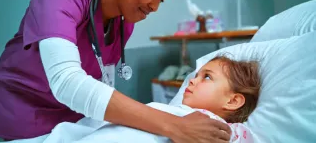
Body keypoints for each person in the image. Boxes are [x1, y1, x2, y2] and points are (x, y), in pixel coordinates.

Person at [0, 0, 232, 142]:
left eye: (162, 0)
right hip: (24, 113)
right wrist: (173, 125)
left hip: (72, 119)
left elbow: (104, 85)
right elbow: (68, 83)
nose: (155, 7)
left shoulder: (124, 22)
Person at [37, 55, 261, 143]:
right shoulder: (175, 112)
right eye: (195, 75)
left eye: (207, 77)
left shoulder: (222, 130)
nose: (191, 81)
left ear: (233, 101)